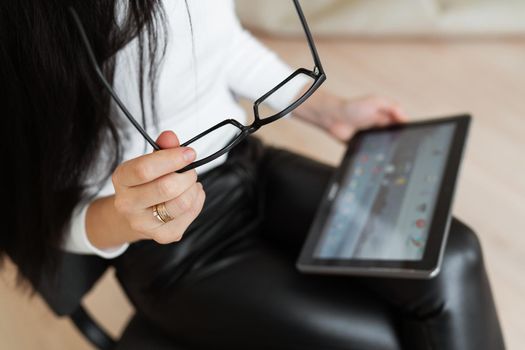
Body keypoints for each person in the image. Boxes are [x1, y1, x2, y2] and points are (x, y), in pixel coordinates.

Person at [0, 1, 505, 349]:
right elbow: (33, 214)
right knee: (390, 338)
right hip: (177, 252)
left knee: (452, 255)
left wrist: (328, 111)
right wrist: (128, 216)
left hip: (249, 166)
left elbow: (223, 43)